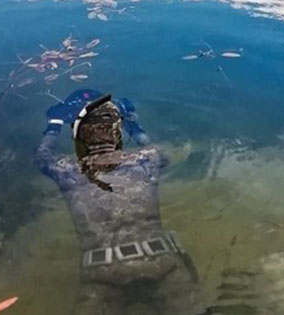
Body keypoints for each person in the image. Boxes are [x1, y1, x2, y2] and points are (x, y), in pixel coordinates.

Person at [35, 90, 202, 314]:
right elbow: (159, 151)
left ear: (78, 138)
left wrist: (54, 123)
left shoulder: (68, 169)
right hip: (158, 261)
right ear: (118, 135)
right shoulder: (145, 159)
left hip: (102, 273)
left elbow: (42, 158)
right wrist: (133, 121)